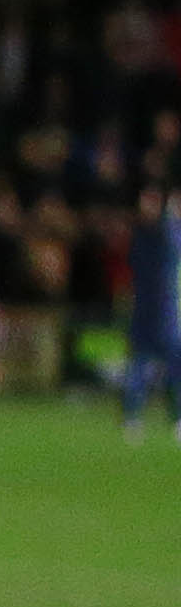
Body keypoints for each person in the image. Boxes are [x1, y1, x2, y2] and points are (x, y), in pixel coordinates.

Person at [118, 178, 180, 439]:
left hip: (168, 311)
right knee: (138, 366)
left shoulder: (167, 234)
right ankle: (131, 417)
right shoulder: (143, 235)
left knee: (175, 368)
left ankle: (177, 418)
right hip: (145, 310)